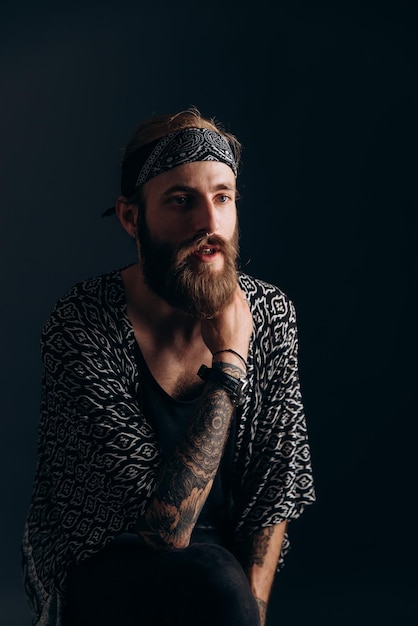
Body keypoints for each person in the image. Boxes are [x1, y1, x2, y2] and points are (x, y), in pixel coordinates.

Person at [22, 107, 316, 626]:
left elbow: (276, 488)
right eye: (182, 201)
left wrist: (253, 611)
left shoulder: (270, 314)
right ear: (132, 218)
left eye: (222, 197)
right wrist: (229, 363)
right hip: (109, 559)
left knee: (221, 581)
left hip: (221, 578)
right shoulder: (83, 322)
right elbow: (165, 529)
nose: (210, 222)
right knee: (212, 578)